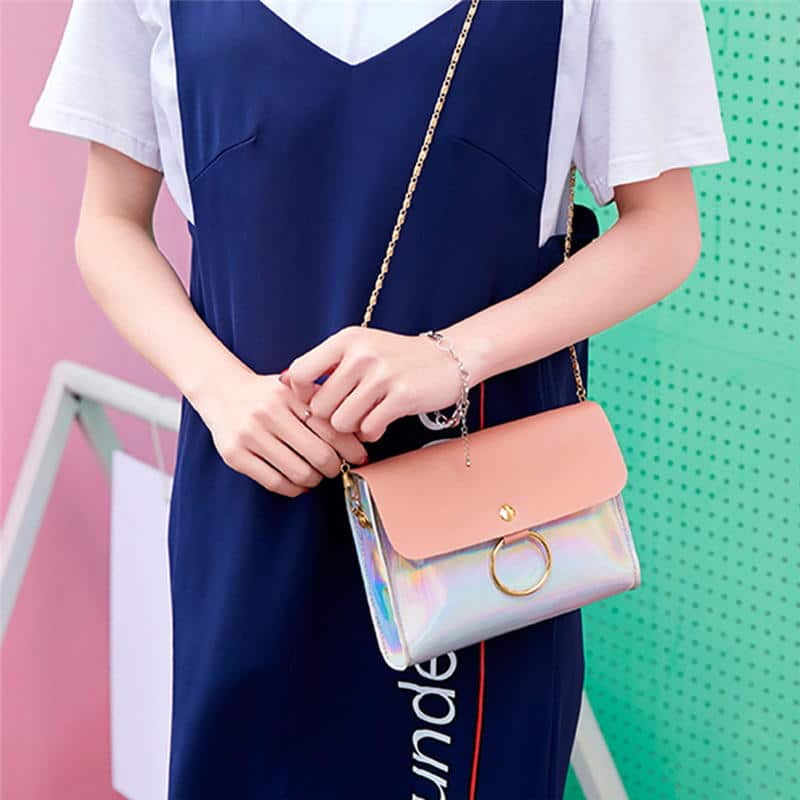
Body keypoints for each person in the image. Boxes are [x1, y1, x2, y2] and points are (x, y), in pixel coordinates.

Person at [29, 1, 730, 797]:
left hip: (479, 526)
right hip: (254, 495)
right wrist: (219, 391)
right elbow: (109, 223)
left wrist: (452, 356)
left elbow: (664, 231)